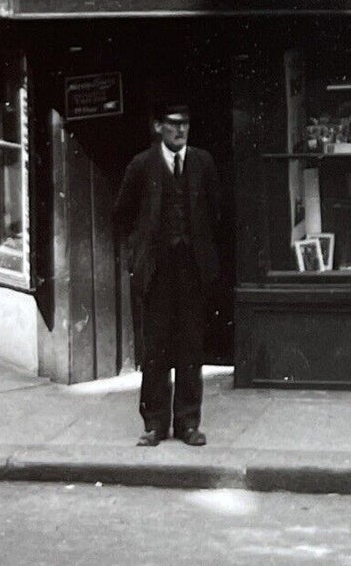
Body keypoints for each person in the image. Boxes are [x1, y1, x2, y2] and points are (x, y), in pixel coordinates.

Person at [112, 101, 221, 447]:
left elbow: (216, 210)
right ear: (158, 127)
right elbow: (122, 214)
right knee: (155, 349)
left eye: (185, 124)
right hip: (156, 271)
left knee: (191, 346)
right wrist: (140, 250)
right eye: (173, 124)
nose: (180, 130)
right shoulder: (142, 165)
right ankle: (155, 423)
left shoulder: (202, 162)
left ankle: (188, 422)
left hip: (191, 269)